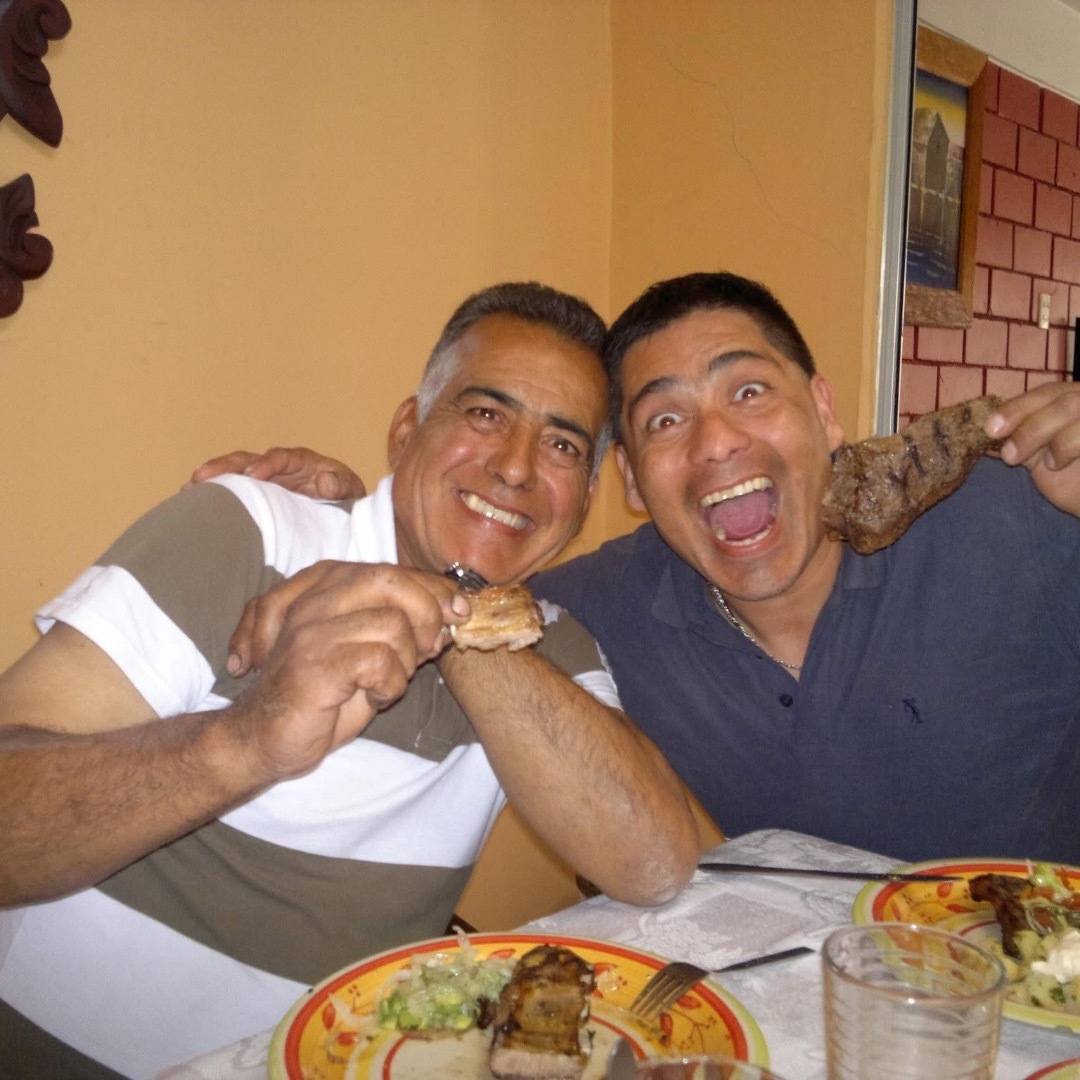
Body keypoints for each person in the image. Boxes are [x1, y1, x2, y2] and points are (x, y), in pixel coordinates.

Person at [0, 281, 700, 1079]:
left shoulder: (548, 643)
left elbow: (652, 865)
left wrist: (452, 608)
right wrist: (244, 741)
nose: (515, 467)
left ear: (585, 499)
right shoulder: (246, 530)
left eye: (564, 447)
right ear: (406, 432)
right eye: (484, 413)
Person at [215, 272, 1080, 867]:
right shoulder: (593, 610)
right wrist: (367, 505)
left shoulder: (1023, 515)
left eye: (749, 392)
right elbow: (464, 568)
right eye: (665, 421)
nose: (716, 442)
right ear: (629, 480)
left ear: (823, 411)